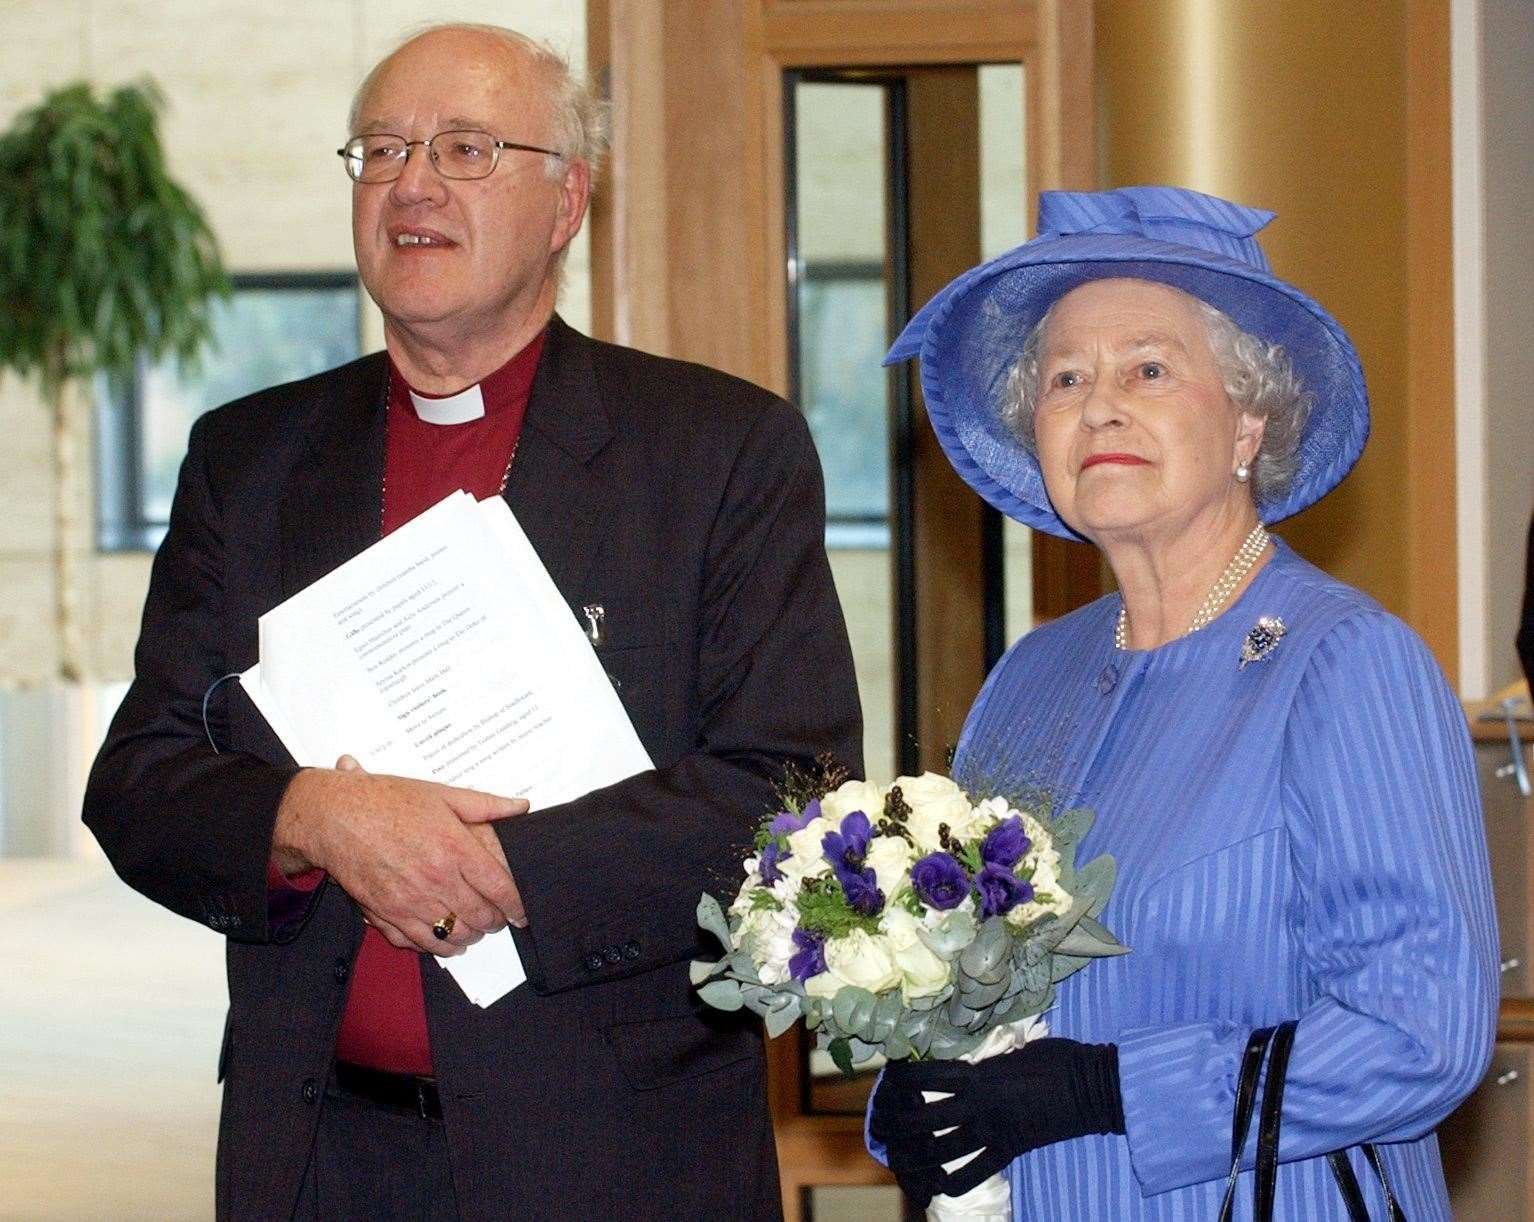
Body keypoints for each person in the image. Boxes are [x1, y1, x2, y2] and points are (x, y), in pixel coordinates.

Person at [83, 23, 860, 1222]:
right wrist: (312, 818)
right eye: (383, 150)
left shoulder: (715, 451)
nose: (414, 183)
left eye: (465, 147)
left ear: (567, 202)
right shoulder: (249, 459)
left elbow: (787, 789)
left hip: (616, 1155)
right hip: (317, 1155)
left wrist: (491, 865)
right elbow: (139, 779)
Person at [868, 186, 1497, 1218]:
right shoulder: (1028, 679)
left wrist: (1109, 1087)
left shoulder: (1344, 663)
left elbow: (1421, 1032)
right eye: (1065, 378)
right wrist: (918, 1082)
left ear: (1249, 420)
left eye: (1147, 370)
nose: (1099, 404)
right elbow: (964, 970)